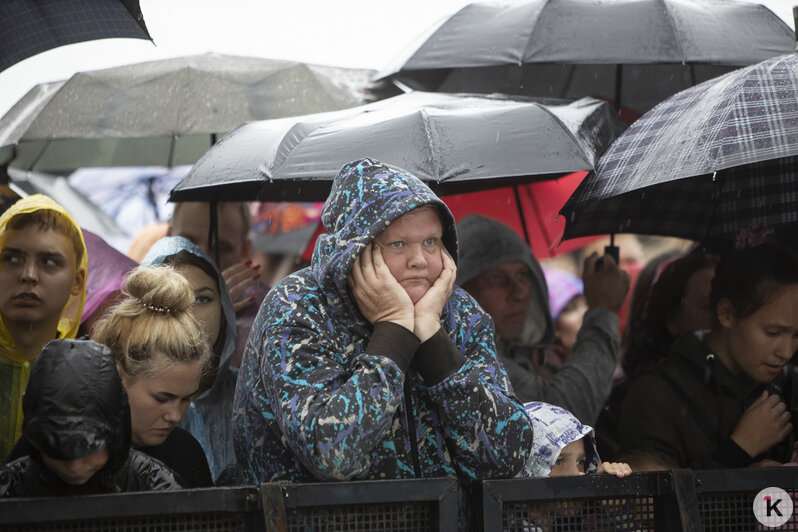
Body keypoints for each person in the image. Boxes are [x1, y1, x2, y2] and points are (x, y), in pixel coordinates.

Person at [233, 158, 533, 484]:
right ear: (356, 250)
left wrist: (433, 338)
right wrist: (394, 331)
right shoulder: (298, 306)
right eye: (399, 244)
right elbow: (333, 456)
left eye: (430, 242)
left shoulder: (458, 311)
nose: (419, 261)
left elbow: (509, 455)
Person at [618, 242, 798, 469]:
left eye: (796, 335)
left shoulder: (789, 385)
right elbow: (654, 501)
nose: (787, 352)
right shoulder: (657, 393)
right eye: (773, 333)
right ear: (727, 314)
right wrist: (738, 449)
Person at [456, 214, 629, 425]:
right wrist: (603, 311)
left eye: (522, 275)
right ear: (461, 290)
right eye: (497, 278)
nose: (518, 292)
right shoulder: (466, 361)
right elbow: (561, 418)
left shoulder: (540, 357)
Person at [0, 339, 182, 497]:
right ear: (36, 440)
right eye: (58, 448)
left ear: (116, 435)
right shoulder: (12, 488)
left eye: (88, 447)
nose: (75, 467)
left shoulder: (152, 485)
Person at [91, 265, 214, 487]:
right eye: (162, 399)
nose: (175, 416)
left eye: (186, 399)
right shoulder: (66, 455)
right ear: (116, 378)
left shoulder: (187, 455)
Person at [141, 236, 238, 483]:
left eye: (203, 299)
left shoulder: (252, 392)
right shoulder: (119, 397)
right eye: (173, 298)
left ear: (224, 305)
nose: (190, 314)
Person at [0, 195, 87, 461]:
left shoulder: (89, 377)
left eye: (49, 262)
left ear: (77, 280)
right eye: (11, 258)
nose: (28, 274)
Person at [168, 201, 268, 369]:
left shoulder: (267, 317)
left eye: (220, 248)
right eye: (188, 242)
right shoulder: (141, 300)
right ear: (168, 238)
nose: (202, 257)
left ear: (244, 251)